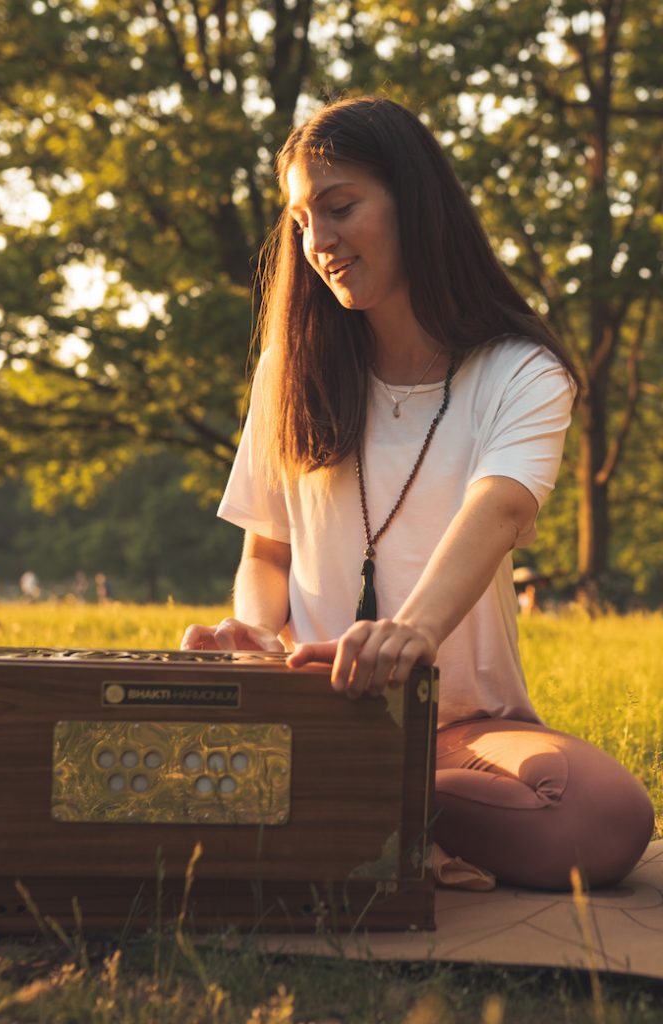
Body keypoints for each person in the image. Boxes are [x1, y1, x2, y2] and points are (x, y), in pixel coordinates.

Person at [181, 96, 653, 890]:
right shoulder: (287, 371)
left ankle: (350, 806)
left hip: (460, 729)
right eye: (301, 220)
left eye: (340, 207)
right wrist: (254, 637)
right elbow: (266, 549)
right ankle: (353, 802)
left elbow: (499, 508)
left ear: (416, 203)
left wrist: (411, 635)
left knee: (603, 820)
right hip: (307, 714)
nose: (317, 242)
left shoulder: (521, 372)